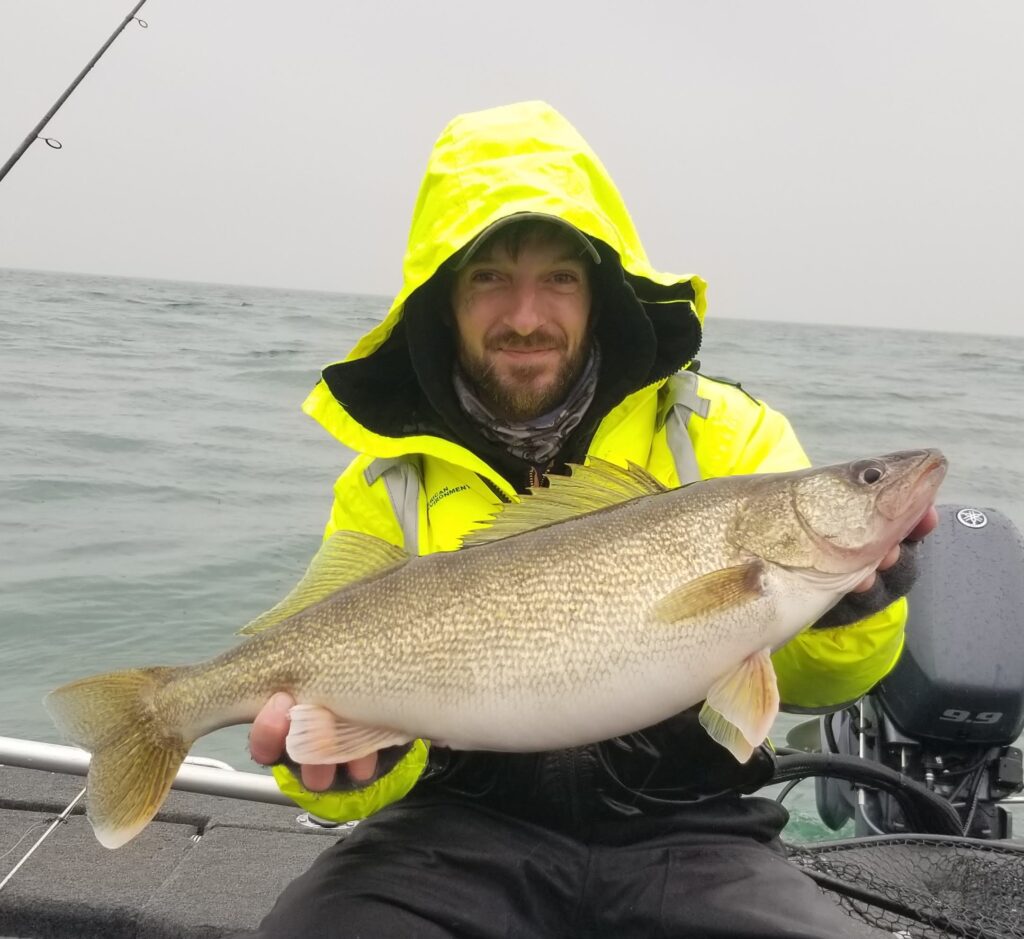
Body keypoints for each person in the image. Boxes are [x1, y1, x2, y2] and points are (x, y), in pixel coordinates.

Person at [240, 101, 937, 938]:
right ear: (441, 300)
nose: (526, 314)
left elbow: (834, 684)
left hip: (693, 831)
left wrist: (858, 608)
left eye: (559, 277)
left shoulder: (733, 436)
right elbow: (321, 747)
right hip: (452, 835)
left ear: (601, 289)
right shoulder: (384, 482)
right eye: (489, 276)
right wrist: (356, 762)